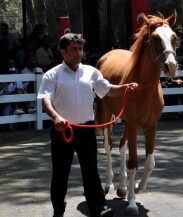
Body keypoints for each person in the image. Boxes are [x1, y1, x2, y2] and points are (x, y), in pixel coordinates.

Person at [37, 33, 138, 217]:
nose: (78, 53)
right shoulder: (52, 75)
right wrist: (55, 117)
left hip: (86, 129)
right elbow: (45, 100)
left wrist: (125, 87)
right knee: (60, 173)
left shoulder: (91, 72)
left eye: (80, 49)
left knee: (91, 170)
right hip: (63, 129)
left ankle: (98, 209)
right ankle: (58, 210)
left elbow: (107, 90)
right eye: (74, 49)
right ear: (63, 51)